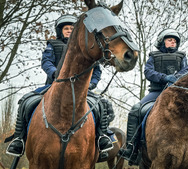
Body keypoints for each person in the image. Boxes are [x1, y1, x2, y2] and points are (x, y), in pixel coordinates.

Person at [6, 15, 113, 157]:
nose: (69, 30)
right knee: (27, 101)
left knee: (100, 104)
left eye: (72, 28)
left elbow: (96, 69)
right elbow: (46, 62)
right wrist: (55, 75)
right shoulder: (53, 45)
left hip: (80, 89)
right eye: (66, 28)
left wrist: (92, 83)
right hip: (53, 85)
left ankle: (101, 137)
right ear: (60, 31)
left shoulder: (85, 49)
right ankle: (19, 139)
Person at [119, 28, 188, 165]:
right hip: (156, 93)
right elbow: (148, 72)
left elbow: (186, 70)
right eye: (170, 40)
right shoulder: (153, 56)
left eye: (175, 41)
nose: (173, 42)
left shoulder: (181, 57)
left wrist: (177, 78)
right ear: (162, 41)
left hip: (178, 92)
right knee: (135, 110)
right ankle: (131, 149)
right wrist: (164, 78)